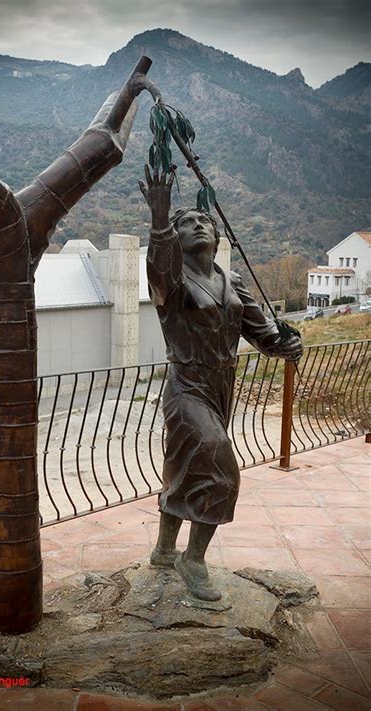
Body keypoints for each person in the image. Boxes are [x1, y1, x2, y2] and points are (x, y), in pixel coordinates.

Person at [138, 166, 303, 601]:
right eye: (185, 223)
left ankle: (161, 550)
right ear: (176, 239)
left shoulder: (233, 282)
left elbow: (261, 332)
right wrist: (159, 220)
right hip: (186, 388)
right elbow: (158, 269)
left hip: (220, 390)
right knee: (220, 469)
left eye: (202, 220)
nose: (196, 225)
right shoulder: (171, 282)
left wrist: (285, 343)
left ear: (215, 233)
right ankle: (193, 559)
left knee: (183, 467)